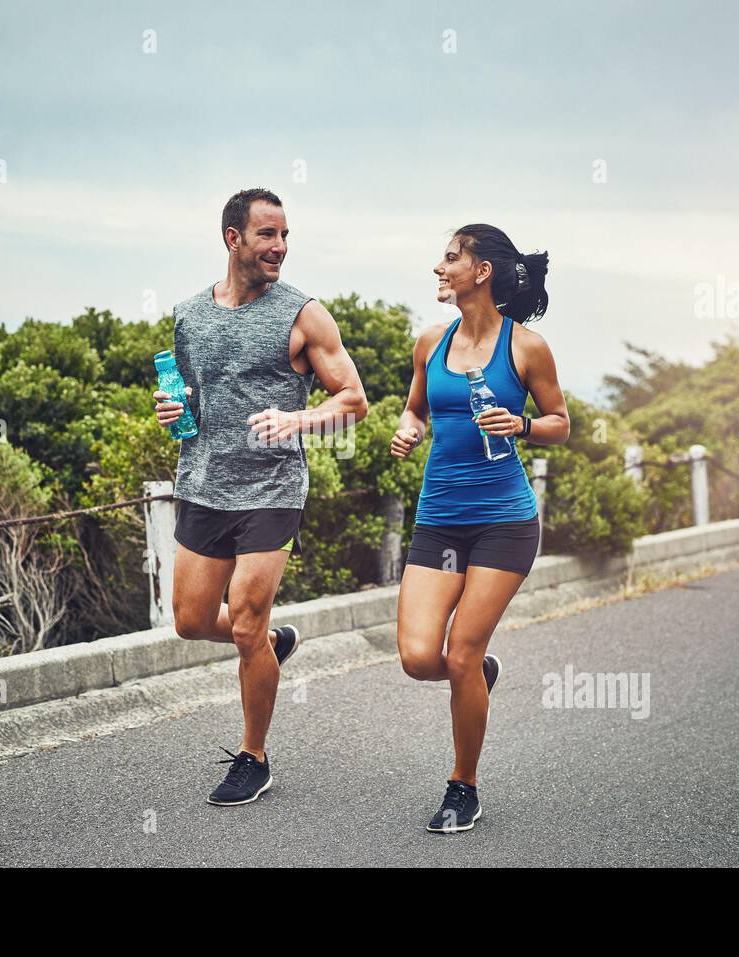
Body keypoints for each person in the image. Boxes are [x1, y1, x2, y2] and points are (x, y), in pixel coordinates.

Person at [154, 188, 367, 806]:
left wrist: (298, 422)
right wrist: (175, 412)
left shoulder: (303, 314)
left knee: (246, 621)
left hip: (272, 490)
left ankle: (254, 755)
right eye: (267, 235)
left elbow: (352, 400)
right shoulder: (191, 315)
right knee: (191, 622)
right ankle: (272, 646)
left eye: (284, 236)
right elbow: (193, 401)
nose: (279, 247)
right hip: (203, 483)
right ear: (232, 239)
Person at [390, 224, 569, 832]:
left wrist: (519, 426)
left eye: (450, 258)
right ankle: (477, 676)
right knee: (419, 657)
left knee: (461, 650)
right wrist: (410, 430)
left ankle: (462, 786)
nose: (439, 268)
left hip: (503, 522)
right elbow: (417, 407)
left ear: (482, 270)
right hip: (439, 519)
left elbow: (560, 423)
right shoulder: (430, 343)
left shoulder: (526, 347)